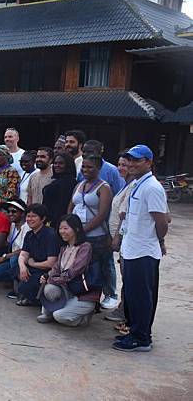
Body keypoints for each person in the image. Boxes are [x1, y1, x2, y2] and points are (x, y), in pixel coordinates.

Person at [113, 145, 168, 352]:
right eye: (130, 160)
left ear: (148, 162)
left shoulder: (152, 187)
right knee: (134, 295)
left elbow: (161, 222)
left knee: (142, 296)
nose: (132, 164)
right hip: (133, 248)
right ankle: (136, 332)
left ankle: (141, 338)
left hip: (143, 251)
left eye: (137, 160)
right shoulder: (138, 184)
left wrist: (157, 240)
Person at [68, 154, 115, 309]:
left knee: (96, 269)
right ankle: (80, 296)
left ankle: (100, 298)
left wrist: (81, 230)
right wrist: (68, 226)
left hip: (96, 237)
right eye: (83, 167)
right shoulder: (79, 185)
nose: (86, 170)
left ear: (99, 168)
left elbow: (102, 215)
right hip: (77, 235)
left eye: (90, 167)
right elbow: (71, 206)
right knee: (78, 267)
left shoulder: (104, 187)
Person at [37, 214, 98, 326]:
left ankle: (83, 316)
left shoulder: (85, 247)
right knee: (49, 288)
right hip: (67, 290)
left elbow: (74, 272)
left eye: (66, 228)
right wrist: (47, 277)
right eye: (60, 228)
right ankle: (50, 312)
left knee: (59, 316)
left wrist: (52, 279)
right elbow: (56, 268)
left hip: (82, 294)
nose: (62, 231)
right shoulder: (64, 248)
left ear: (77, 229)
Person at [105, 151, 135, 326]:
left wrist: (117, 237)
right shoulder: (126, 184)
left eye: (125, 164)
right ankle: (124, 309)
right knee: (126, 276)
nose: (121, 168)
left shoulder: (134, 187)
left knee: (128, 277)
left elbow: (125, 216)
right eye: (120, 164)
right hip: (121, 239)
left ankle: (126, 312)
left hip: (125, 238)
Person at [15, 204, 60, 306]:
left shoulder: (51, 235)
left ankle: (35, 299)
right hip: (33, 267)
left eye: (34, 216)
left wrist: (33, 264)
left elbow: (51, 263)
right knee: (17, 269)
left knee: (29, 283)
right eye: (28, 216)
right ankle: (27, 294)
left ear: (43, 218)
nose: (30, 219)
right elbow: (23, 255)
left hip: (46, 270)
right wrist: (22, 267)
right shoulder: (29, 234)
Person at [0, 199, 30, 284]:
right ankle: (12, 278)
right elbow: (8, 242)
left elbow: (23, 250)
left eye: (14, 211)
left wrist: (5, 257)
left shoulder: (27, 227)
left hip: (25, 259)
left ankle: (18, 286)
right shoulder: (13, 225)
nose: (10, 214)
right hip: (12, 257)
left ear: (22, 214)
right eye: (8, 211)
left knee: (14, 259)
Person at [42, 152, 77, 228]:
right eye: (55, 163)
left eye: (61, 163)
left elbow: (62, 206)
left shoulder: (69, 182)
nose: (57, 166)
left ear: (68, 165)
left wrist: (53, 224)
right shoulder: (56, 181)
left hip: (58, 224)